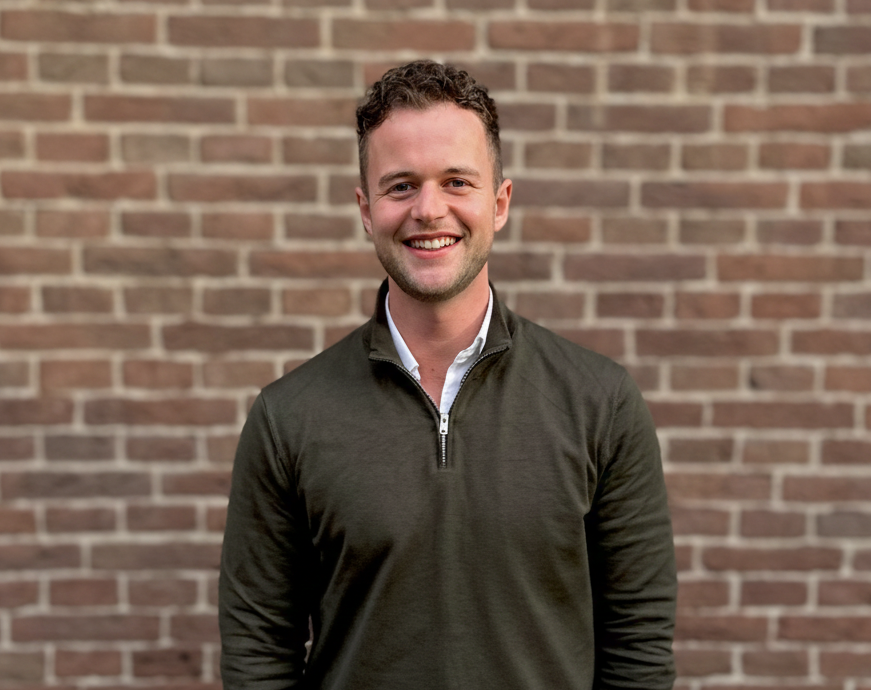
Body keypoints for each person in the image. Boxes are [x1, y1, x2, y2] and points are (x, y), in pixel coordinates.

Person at [219, 60, 676, 690]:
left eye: (457, 181)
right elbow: (257, 654)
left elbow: (639, 647)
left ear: (500, 202)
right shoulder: (288, 418)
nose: (429, 210)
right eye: (401, 186)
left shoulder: (600, 403)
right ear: (365, 208)